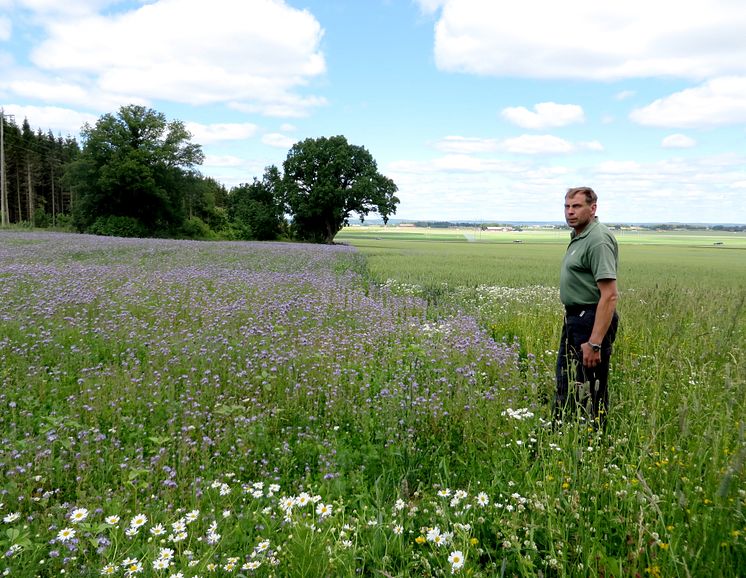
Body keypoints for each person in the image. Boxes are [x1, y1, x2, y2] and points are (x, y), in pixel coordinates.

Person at [555, 186, 619, 428]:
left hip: (590, 320)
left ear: (593, 208)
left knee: (589, 389)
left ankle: (592, 442)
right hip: (576, 318)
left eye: (577, 206)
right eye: (567, 206)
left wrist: (595, 342)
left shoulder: (597, 240)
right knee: (567, 383)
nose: (570, 212)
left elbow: (610, 296)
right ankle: (561, 435)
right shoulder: (581, 235)